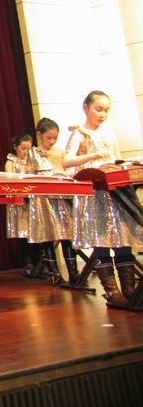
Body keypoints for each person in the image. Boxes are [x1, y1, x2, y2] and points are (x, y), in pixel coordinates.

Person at [64, 90, 143, 304]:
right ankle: (112, 291)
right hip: (94, 193)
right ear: (86, 108)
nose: (103, 114)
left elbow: (115, 159)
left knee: (122, 236)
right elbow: (66, 161)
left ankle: (130, 288)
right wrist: (92, 155)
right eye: (98, 109)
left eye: (106, 110)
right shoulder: (79, 134)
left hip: (115, 191)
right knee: (101, 238)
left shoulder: (108, 134)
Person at [26, 118, 78, 285]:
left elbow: (68, 167)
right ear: (39, 135)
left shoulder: (59, 151)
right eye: (49, 138)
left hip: (61, 197)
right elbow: (29, 174)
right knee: (47, 236)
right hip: (43, 199)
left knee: (67, 234)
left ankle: (74, 273)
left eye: (55, 138)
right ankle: (54, 274)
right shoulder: (33, 152)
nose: (52, 141)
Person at [4, 134, 36, 275]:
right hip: (19, 200)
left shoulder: (34, 160)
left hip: (34, 200)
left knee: (37, 231)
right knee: (23, 232)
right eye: (23, 148)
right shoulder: (11, 162)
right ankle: (28, 263)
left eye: (29, 149)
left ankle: (40, 262)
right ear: (15, 147)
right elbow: (9, 179)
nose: (26, 152)